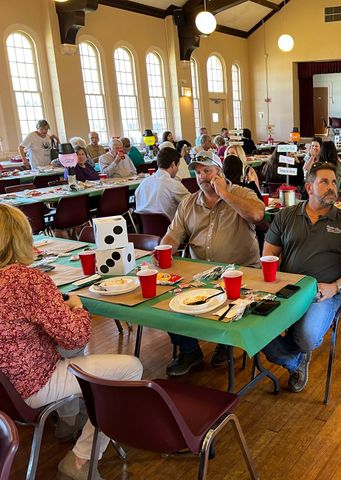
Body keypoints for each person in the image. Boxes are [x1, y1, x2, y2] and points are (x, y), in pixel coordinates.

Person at [0, 204, 143, 480]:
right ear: (20, 238)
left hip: (6, 387)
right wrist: (77, 308)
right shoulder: (25, 279)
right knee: (130, 368)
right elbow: (75, 334)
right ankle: (80, 461)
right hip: (31, 385)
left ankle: (67, 421)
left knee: (70, 348)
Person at [262, 162, 341, 392]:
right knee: (257, 330)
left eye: (334, 182)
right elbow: (269, 252)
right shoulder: (286, 216)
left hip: (325, 294)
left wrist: (336, 287)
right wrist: (276, 279)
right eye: (324, 182)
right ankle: (297, 361)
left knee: (307, 337)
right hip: (287, 290)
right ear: (309, 187)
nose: (332, 187)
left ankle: (298, 351)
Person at [160, 150, 265, 376]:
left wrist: (225, 194)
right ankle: (190, 351)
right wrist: (163, 252)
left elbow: (257, 215)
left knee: (232, 302)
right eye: (198, 172)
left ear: (220, 172)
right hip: (200, 276)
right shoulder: (189, 202)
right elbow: (172, 236)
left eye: (207, 171)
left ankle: (226, 343)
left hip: (242, 274)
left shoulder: (242, 193)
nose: (202, 177)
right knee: (164, 303)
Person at [135, 148, 190, 220]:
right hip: (170, 229)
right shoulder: (173, 185)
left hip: (145, 230)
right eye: (178, 165)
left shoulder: (142, 184)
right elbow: (192, 205)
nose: (178, 169)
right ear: (173, 164)